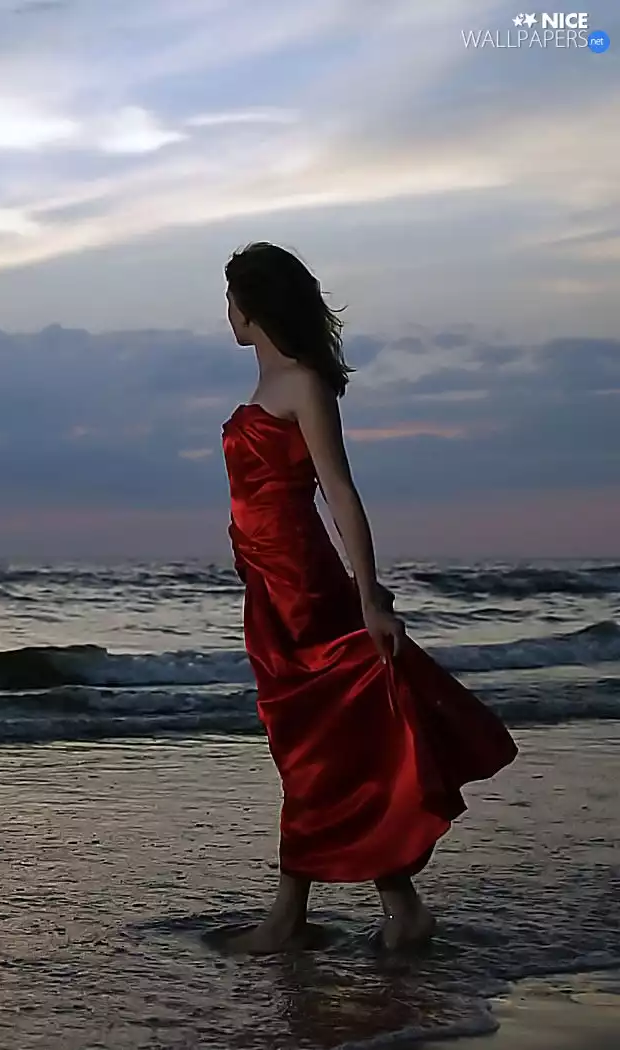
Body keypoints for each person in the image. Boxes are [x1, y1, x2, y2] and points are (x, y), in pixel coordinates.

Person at [217, 242, 518, 954]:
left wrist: (367, 596)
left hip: (304, 588)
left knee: (310, 747)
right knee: (320, 745)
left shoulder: (303, 385)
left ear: (253, 306)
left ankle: (290, 916)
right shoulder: (269, 389)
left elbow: (339, 489)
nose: (225, 313)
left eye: (230, 299)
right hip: (267, 590)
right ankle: (399, 908)